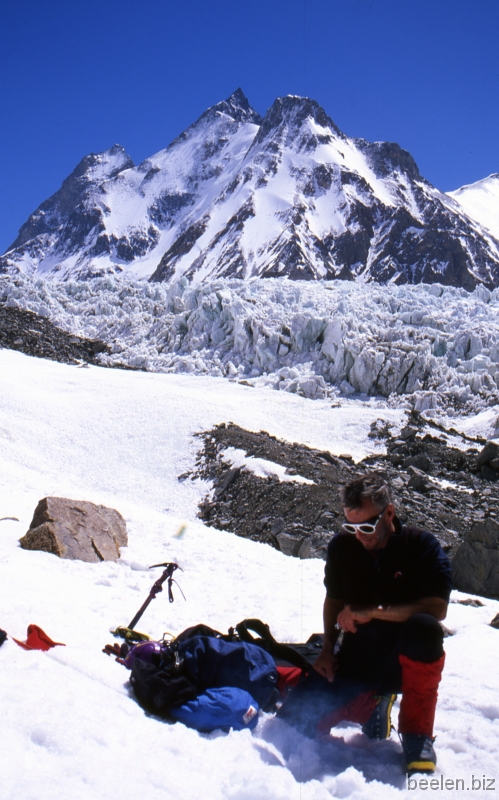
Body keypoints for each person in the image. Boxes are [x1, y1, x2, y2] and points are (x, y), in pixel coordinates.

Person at [278, 473, 452, 774]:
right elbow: (333, 601)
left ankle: (416, 733)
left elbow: (437, 608)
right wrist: (328, 650)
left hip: (403, 661)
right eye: (351, 526)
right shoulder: (343, 548)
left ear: (389, 513)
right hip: (356, 658)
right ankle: (371, 704)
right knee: (294, 722)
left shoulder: (420, 545)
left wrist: (374, 611)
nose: (360, 535)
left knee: (425, 628)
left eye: (368, 526)